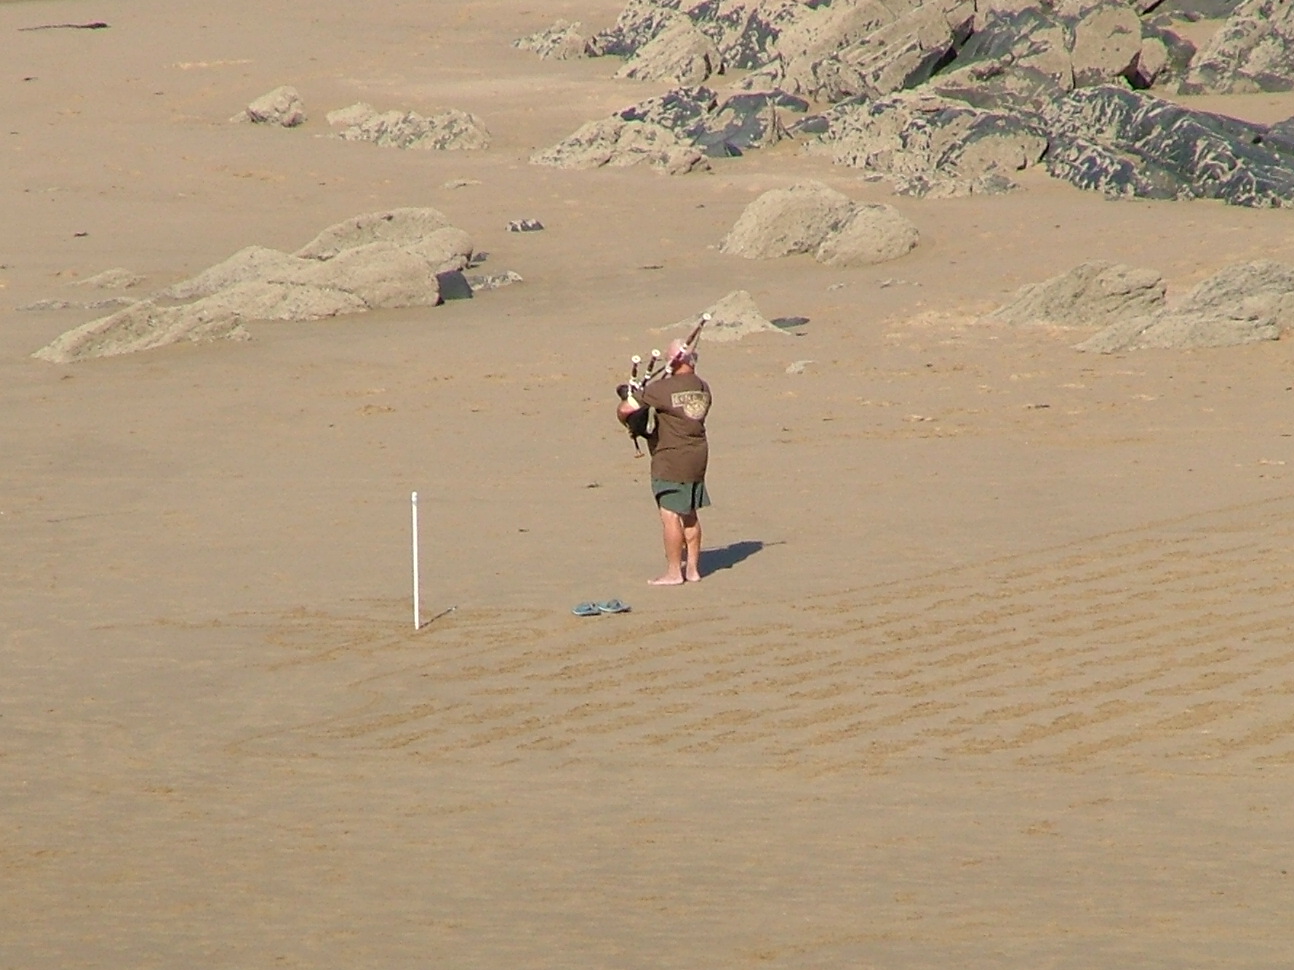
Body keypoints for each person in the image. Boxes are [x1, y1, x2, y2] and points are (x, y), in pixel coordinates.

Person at [617, 336, 712, 585]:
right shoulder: (703, 387)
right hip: (697, 455)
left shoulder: (661, 389)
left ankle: (674, 572)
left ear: (673, 361)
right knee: (689, 513)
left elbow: (626, 409)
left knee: (670, 515)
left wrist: (628, 412)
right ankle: (692, 570)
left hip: (670, 457)